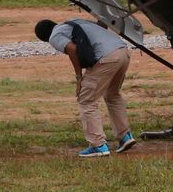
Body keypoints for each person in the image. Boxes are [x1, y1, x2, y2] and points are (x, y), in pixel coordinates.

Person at [35, 17, 136, 158]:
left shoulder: (55, 36)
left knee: (86, 100)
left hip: (106, 57)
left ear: (45, 38)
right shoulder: (75, 21)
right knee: (112, 94)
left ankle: (98, 145)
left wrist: (79, 77)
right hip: (122, 51)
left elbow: (72, 49)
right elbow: (101, 26)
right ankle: (125, 136)